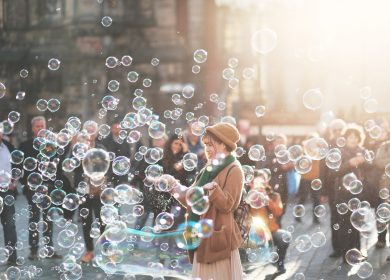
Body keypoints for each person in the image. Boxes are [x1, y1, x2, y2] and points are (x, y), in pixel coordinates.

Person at [162, 122, 244, 280]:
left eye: (211, 144)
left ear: (224, 144)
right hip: (201, 235)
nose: (207, 149)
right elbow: (193, 198)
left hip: (218, 239)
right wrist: (174, 186)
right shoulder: (209, 167)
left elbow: (228, 205)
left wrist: (214, 189)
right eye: (205, 145)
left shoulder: (234, 169)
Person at [18, 116, 62, 260]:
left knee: (49, 219)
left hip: (48, 188)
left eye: (42, 125)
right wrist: (29, 184)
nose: (40, 128)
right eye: (37, 126)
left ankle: (49, 250)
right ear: (32, 128)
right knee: (34, 220)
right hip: (32, 189)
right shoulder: (25, 145)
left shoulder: (51, 145)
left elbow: (57, 166)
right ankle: (34, 250)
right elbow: (20, 167)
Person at [329, 124, 369, 260]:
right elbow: (334, 171)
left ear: (359, 139)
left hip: (359, 193)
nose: (352, 139)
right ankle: (347, 254)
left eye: (355, 137)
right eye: (350, 137)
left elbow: (371, 168)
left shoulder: (362, 151)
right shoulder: (339, 152)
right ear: (345, 138)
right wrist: (349, 163)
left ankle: (356, 252)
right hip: (342, 193)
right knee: (344, 224)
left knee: (358, 223)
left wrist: (364, 162)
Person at [74, 132, 106, 263]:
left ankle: (105, 251)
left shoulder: (101, 148)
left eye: (93, 130)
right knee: (86, 221)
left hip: (98, 190)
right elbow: (73, 167)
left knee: (102, 220)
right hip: (83, 190)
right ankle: (89, 251)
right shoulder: (77, 148)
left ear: (97, 133)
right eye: (88, 130)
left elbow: (107, 167)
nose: (90, 133)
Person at [249, 174, 289, 274]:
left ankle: (279, 264)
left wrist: (266, 199)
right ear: (251, 183)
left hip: (271, 231)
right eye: (257, 182)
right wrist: (251, 197)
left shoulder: (274, 196)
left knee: (285, 236)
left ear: (267, 182)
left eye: (263, 181)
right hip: (253, 233)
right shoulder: (247, 196)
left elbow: (279, 212)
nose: (261, 184)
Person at [0, 132, 18, 265]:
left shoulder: (8, 147)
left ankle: (12, 258)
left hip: (7, 192)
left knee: (10, 226)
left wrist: (14, 182)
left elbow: (17, 165)